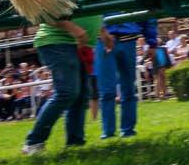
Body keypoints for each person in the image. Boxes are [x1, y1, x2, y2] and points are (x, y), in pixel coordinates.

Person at [23, 10, 102, 155]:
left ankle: (75, 144)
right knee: (67, 92)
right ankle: (34, 142)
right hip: (58, 42)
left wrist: (103, 31)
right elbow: (45, 14)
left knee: (81, 96)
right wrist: (74, 29)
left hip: (80, 44)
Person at [97, 16, 148, 138]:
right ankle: (108, 132)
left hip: (128, 40)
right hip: (103, 39)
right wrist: (102, 31)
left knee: (129, 87)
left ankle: (128, 130)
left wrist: (151, 40)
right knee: (107, 90)